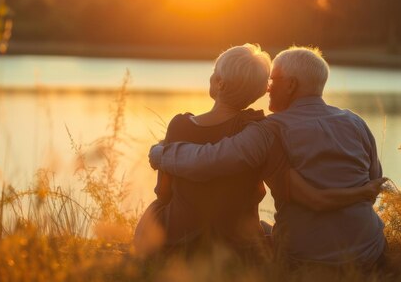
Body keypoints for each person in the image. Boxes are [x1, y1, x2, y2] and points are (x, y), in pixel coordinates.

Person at [135, 44, 385, 261]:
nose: (267, 89)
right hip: (370, 248)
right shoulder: (355, 121)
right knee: (263, 229)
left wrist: (161, 154)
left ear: (291, 85)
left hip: (302, 255)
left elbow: (210, 160)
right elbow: (373, 181)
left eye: (273, 80)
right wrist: (360, 193)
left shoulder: (269, 130)